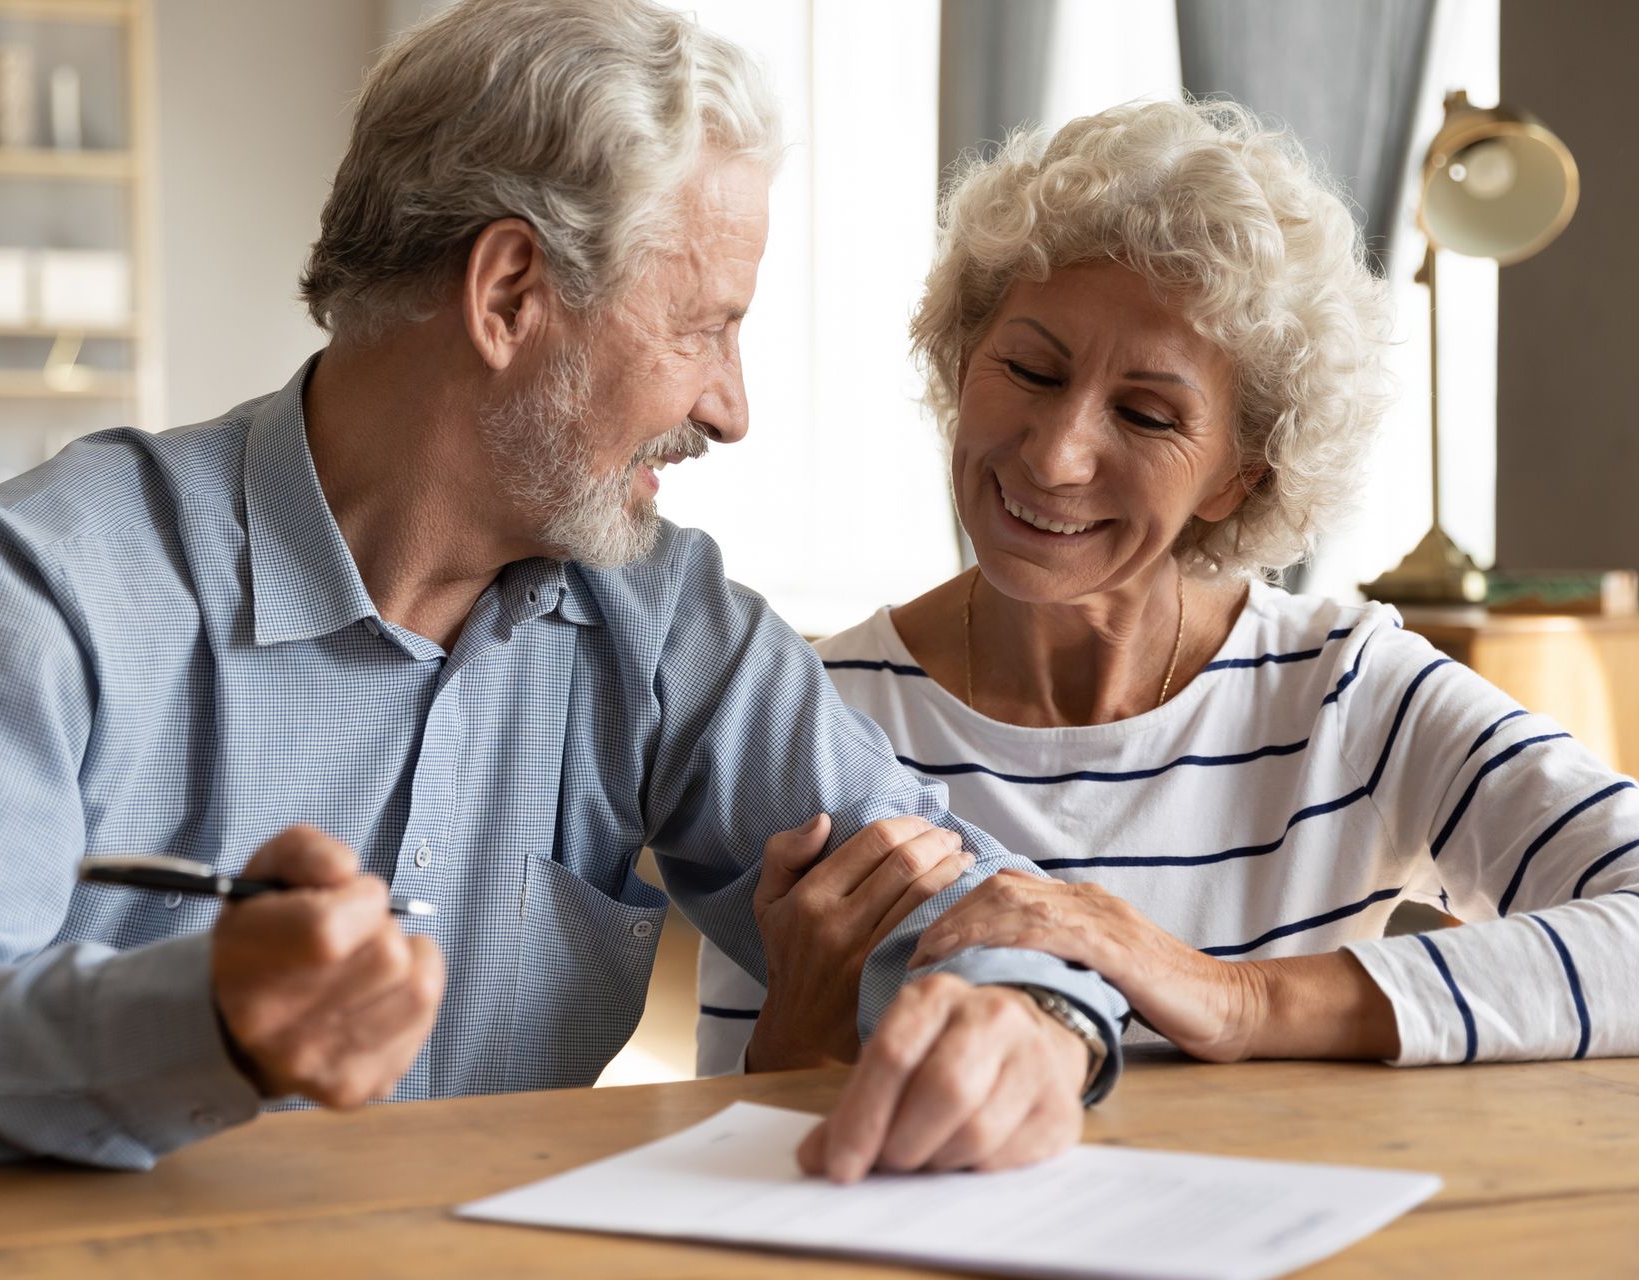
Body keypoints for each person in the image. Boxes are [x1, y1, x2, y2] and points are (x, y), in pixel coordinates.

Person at [0, 0, 1127, 1176]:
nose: (732, 407)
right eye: (703, 326)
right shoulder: (59, 574)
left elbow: (960, 887)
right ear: (512, 291)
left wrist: (1033, 1019)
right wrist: (199, 1021)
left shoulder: (659, 612)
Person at [699, 98, 1638, 1076]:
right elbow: (720, 1176)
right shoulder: (808, 712)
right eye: (1028, 368)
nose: (1057, 456)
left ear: (1242, 473)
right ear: (962, 355)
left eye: (1146, 416)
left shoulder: (1347, 693)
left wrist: (1235, 995)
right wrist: (803, 1033)